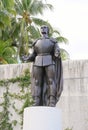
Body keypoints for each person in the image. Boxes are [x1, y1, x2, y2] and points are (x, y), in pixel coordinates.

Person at [23, 25, 63, 107]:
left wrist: (57, 53)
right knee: (37, 82)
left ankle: (51, 101)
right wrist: (27, 58)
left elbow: (56, 51)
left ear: (48, 30)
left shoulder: (53, 41)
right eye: (41, 27)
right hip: (38, 62)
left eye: (45, 27)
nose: (43, 29)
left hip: (49, 61)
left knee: (51, 81)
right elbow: (33, 54)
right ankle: (36, 101)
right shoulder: (36, 42)